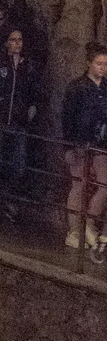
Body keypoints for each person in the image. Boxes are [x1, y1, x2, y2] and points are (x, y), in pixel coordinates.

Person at [0, 27, 41, 219]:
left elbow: (34, 90)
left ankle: (7, 198)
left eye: (20, 40)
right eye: (13, 40)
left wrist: (32, 106)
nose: (17, 43)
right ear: (6, 42)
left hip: (18, 122)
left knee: (19, 165)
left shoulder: (28, 67)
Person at [61, 44, 107, 259]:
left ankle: (88, 223)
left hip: (101, 143)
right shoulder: (77, 87)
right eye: (99, 64)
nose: (103, 68)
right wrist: (68, 147)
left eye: (106, 64)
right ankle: (73, 230)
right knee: (79, 184)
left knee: (104, 184)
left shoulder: (106, 87)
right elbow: (67, 119)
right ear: (89, 63)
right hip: (80, 142)